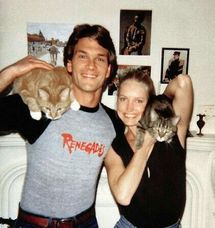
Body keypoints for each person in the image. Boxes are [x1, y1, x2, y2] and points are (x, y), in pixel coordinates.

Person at [0, 24, 124, 228]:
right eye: (82, 56)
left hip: (87, 223)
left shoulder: (114, 122)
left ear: (108, 69)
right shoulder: (39, 107)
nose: (91, 66)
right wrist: (12, 72)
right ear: (69, 64)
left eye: (100, 58)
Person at [104, 69, 193, 227]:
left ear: (149, 104)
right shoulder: (115, 147)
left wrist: (159, 106)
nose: (129, 107)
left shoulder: (172, 131)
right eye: (123, 99)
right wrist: (145, 144)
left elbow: (182, 82)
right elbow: (123, 196)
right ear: (117, 101)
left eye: (138, 101)